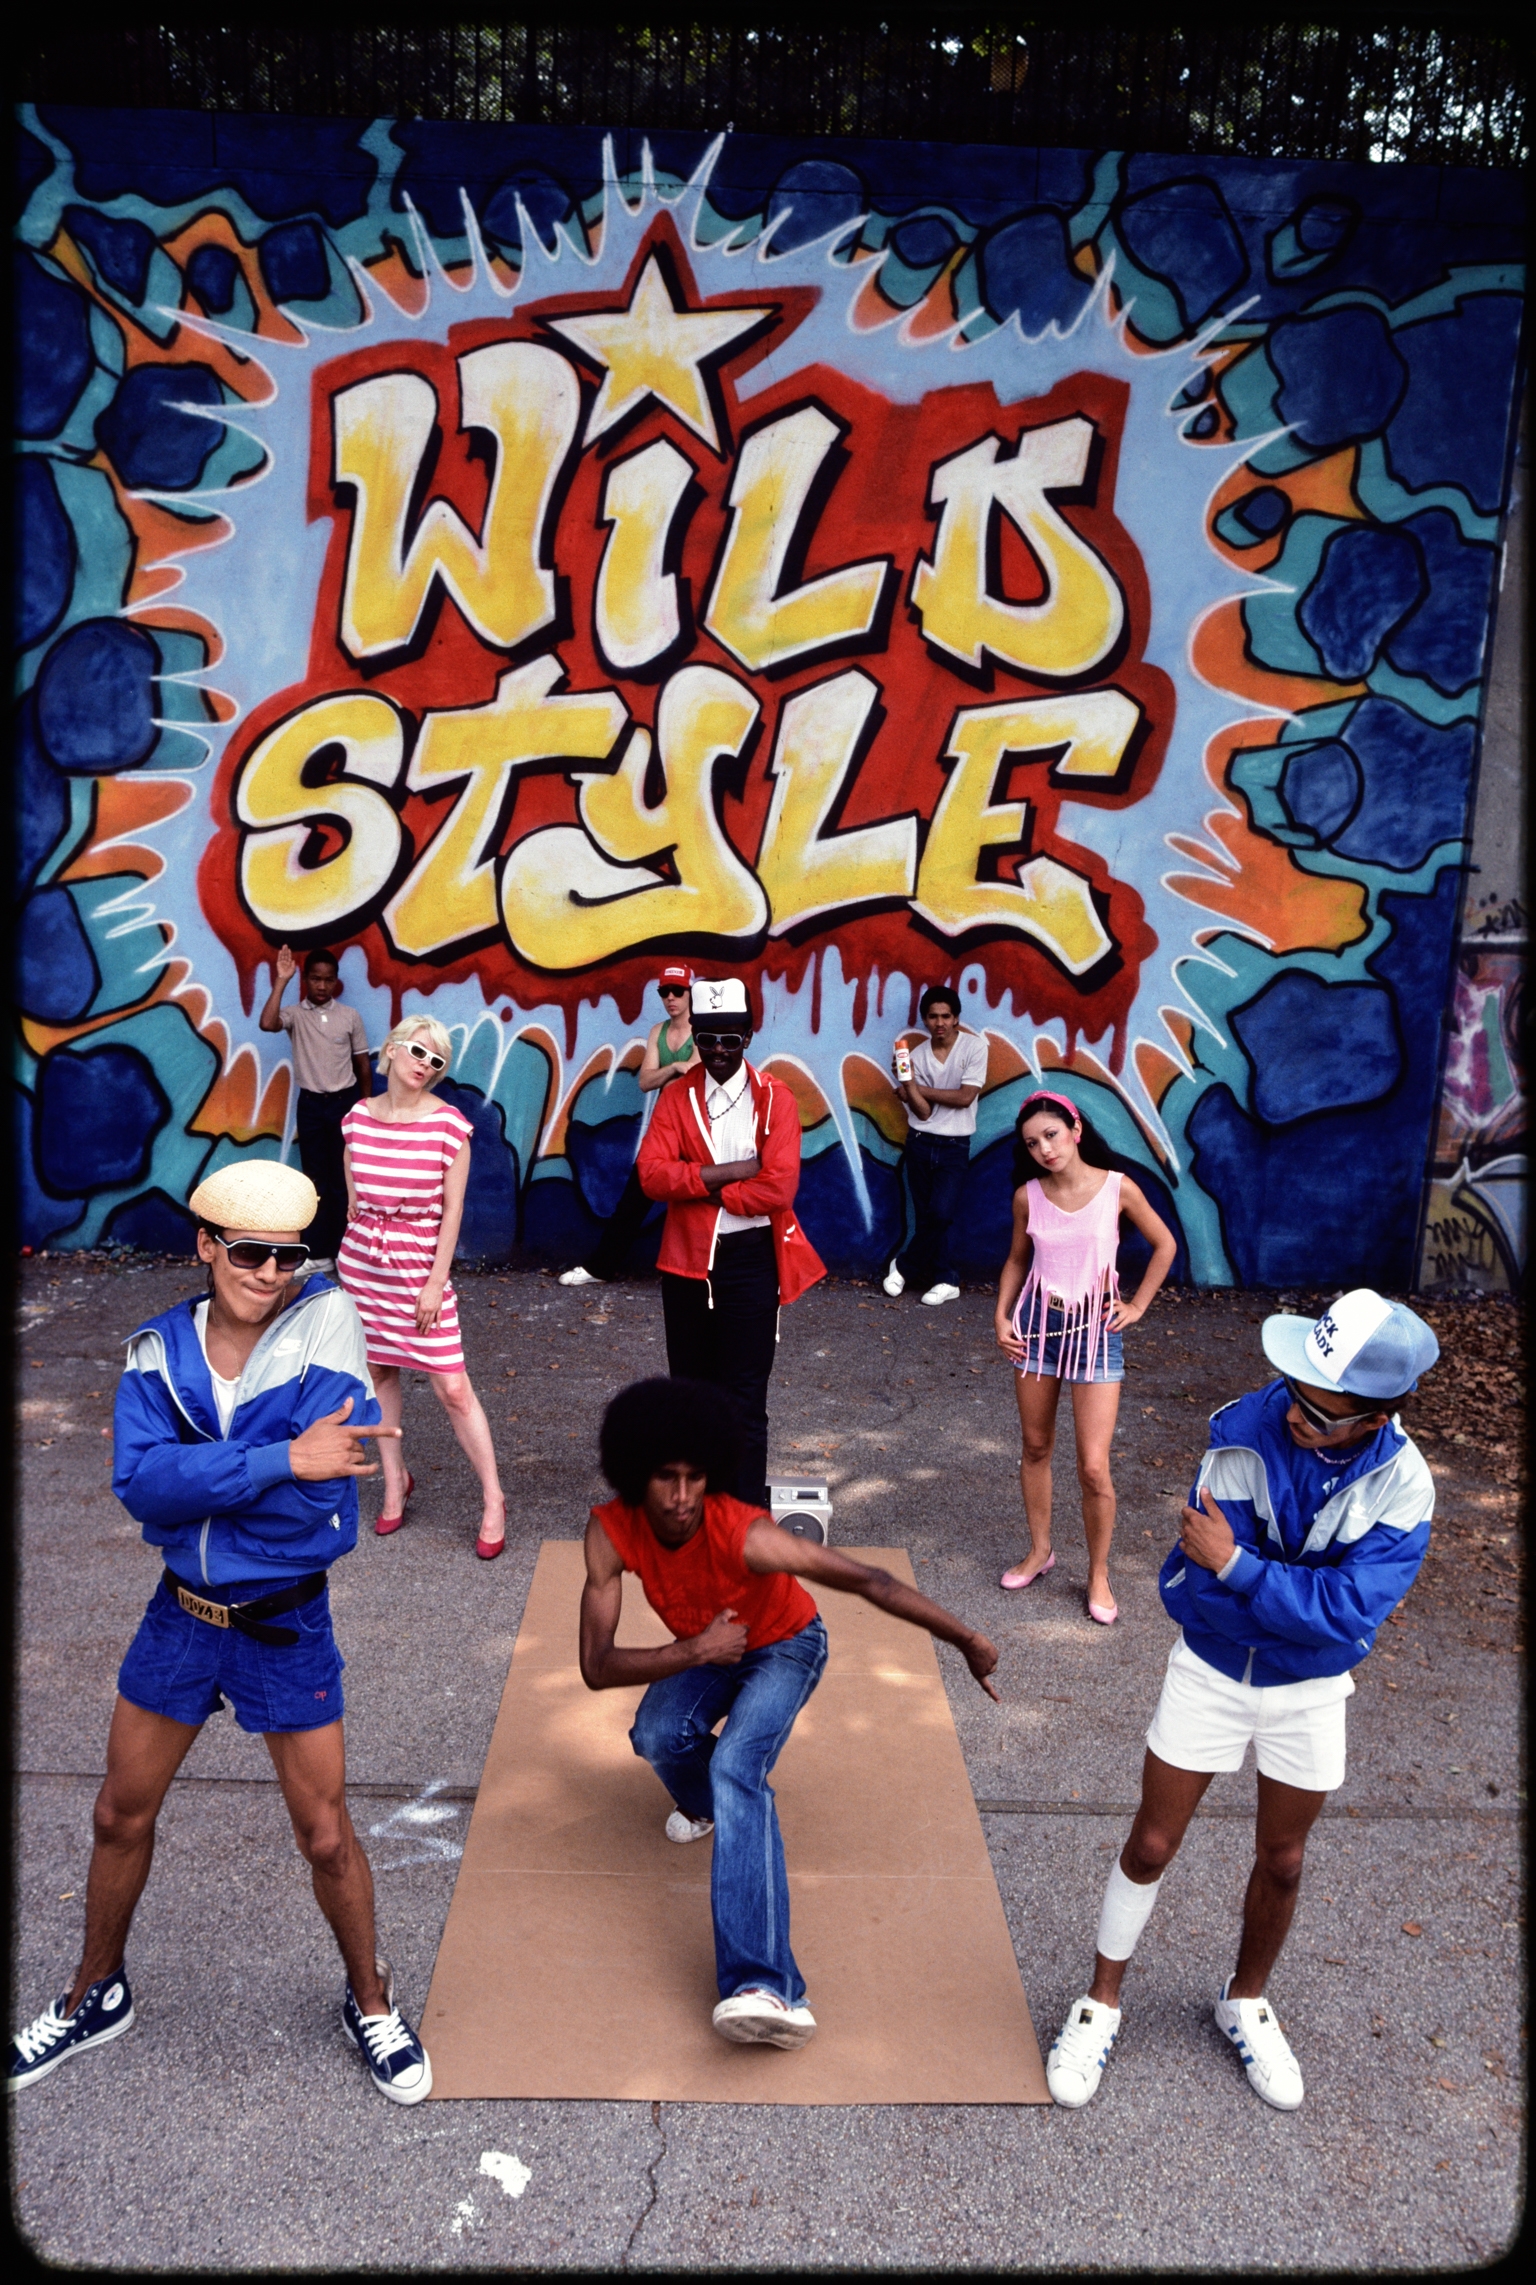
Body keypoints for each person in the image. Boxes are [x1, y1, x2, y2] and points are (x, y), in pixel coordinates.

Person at [7, 1161, 431, 2103]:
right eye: (249, 1251)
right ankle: (93, 1992)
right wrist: (282, 1452)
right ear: (207, 1245)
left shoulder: (330, 1323)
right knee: (119, 1812)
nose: (271, 1271)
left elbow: (322, 1507)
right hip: (181, 1617)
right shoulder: (157, 1349)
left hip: (286, 1622)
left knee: (325, 1837)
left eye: (288, 1254)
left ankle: (372, 1998)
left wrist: (212, 1471)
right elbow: (143, 1487)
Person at [1046, 1289, 1440, 2114]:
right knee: (1152, 1843)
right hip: (1212, 1669)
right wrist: (1272, 1592)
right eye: (1294, 1387)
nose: (1294, 1413)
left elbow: (1347, 1615)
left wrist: (1246, 1568)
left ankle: (1245, 2000)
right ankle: (1099, 2001)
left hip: (1311, 1691)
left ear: (1376, 1417)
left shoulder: (1406, 1485)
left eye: (1319, 1412)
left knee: (1285, 1859)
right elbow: (1198, 1590)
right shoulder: (1238, 1431)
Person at [581, 1377, 1001, 2047]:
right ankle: (708, 1808)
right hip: (711, 1643)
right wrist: (696, 1647)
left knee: (738, 1767)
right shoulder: (608, 1532)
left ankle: (767, 1986)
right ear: (637, 1474)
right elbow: (596, 1666)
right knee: (657, 1734)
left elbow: (870, 1580)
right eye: (666, 1478)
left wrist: (967, 1639)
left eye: (696, 1477)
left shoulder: (745, 1533)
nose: (684, 1496)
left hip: (784, 1643)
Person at [636, 977, 824, 1507]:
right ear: (694, 1034)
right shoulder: (677, 1095)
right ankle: (694, 1508)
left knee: (745, 1397)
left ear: (748, 1036)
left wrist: (701, 1186)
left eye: (730, 1040)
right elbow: (650, 1175)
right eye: (707, 1039)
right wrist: (736, 1171)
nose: (718, 1051)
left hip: (752, 1261)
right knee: (692, 1397)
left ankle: (741, 1515)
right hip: (688, 1265)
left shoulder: (774, 1097)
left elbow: (780, 1185)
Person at [995, 1090, 1176, 1622]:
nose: (1044, 1149)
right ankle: (1040, 1551)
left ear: (1075, 1129)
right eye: (1032, 1143)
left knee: (1094, 1467)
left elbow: (1164, 1244)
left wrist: (1138, 1304)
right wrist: (1001, 1317)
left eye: (1051, 1134)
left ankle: (1098, 1573)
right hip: (1037, 1329)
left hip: (1096, 1330)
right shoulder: (1028, 1196)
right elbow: (1015, 1260)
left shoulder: (1118, 1189)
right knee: (1035, 1445)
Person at [338, 1014, 507, 1559]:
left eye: (436, 1061)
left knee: (453, 1388)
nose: (425, 1065)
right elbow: (353, 1195)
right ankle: (394, 1482)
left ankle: (494, 1498)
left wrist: (436, 1282)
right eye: (417, 1051)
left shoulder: (449, 1126)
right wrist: (357, 1242)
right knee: (380, 1371)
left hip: (419, 1270)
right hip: (365, 1269)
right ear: (391, 1048)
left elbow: (454, 1210)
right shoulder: (357, 1119)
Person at [560, 962, 700, 1288]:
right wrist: (677, 1066)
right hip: (666, 1126)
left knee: (705, 1198)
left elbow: (700, 1076)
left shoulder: (704, 1029)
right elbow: (646, 1081)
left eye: (677, 991)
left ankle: (714, 1275)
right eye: (664, 992)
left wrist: (679, 1069)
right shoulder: (658, 1032)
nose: (671, 998)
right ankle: (601, 1267)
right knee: (634, 1200)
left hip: (701, 1128)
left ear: (690, 993)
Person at [259, 945, 372, 1274]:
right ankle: (320, 1253)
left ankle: (344, 1254)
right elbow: (267, 1023)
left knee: (344, 1181)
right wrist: (281, 980)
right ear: (306, 980)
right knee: (316, 1183)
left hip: (344, 1104)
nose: (322, 986)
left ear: (336, 983)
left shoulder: (349, 1016)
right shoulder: (295, 1014)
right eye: (315, 979)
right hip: (310, 1106)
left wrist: (362, 1108)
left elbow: (363, 1064)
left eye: (328, 980)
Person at [884, 986, 989, 1307]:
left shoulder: (974, 1048)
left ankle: (903, 1266)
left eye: (946, 1016)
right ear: (925, 1020)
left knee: (940, 1213)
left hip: (955, 1145)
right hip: (919, 1142)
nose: (939, 1022)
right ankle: (945, 1279)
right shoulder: (914, 1057)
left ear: (956, 1018)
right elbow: (923, 1113)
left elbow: (964, 1097)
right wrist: (907, 1082)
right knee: (929, 1215)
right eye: (933, 1016)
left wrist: (917, 1087)